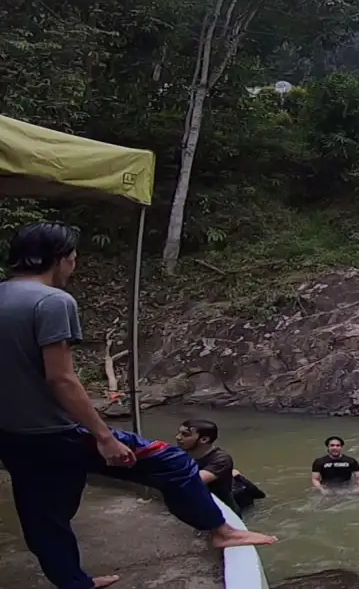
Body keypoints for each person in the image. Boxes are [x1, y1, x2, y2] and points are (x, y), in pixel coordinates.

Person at [0, 222, 278, 589]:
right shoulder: (52, 301)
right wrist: (103, 437)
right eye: (73, 257)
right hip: (60, 431)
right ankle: (221, 532)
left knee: (43, 516)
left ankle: (73, 583)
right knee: (173, 463)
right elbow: (61, 379)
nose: (74, 264)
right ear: (60, 258)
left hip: (14, 435)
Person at [175, 419, 236, 512]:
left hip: (220, 509)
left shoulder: (221, 459)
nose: (178, 437)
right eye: (179, 433)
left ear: (204, 439)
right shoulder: (177, 452)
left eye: (185, 434)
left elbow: (193, 481)